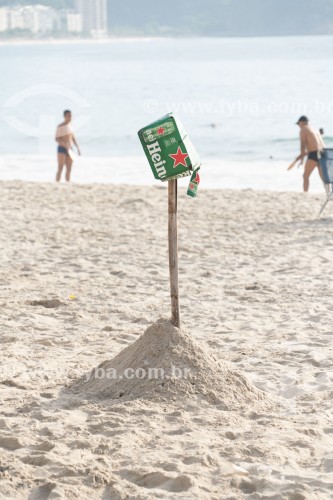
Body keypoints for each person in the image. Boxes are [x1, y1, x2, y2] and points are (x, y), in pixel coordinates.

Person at [295, 116, 325, 192]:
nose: (299, 126)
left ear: (303, 122)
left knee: (305, 176)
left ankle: (305, 193)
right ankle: (328, 193)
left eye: (299, 124)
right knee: (324, 178)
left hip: (314, 155)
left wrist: (302, 159)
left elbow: (303, 145)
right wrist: (302, 155)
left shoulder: (303, 129)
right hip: (323, 154)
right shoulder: (315, 130)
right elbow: (316, 147)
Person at [55, 110, 81, 182]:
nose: (70, 117)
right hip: (62, 149)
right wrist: (64, 145)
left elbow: (72, 137)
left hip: (70, 149)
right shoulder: (60, 126)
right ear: (64, 116)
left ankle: (68, 183)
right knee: (60, 167)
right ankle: (57, 183)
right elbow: (57, 138)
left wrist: (78, 147)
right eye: (68, 116)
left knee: (69, 168)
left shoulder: (70, 126)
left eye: (71, 115)